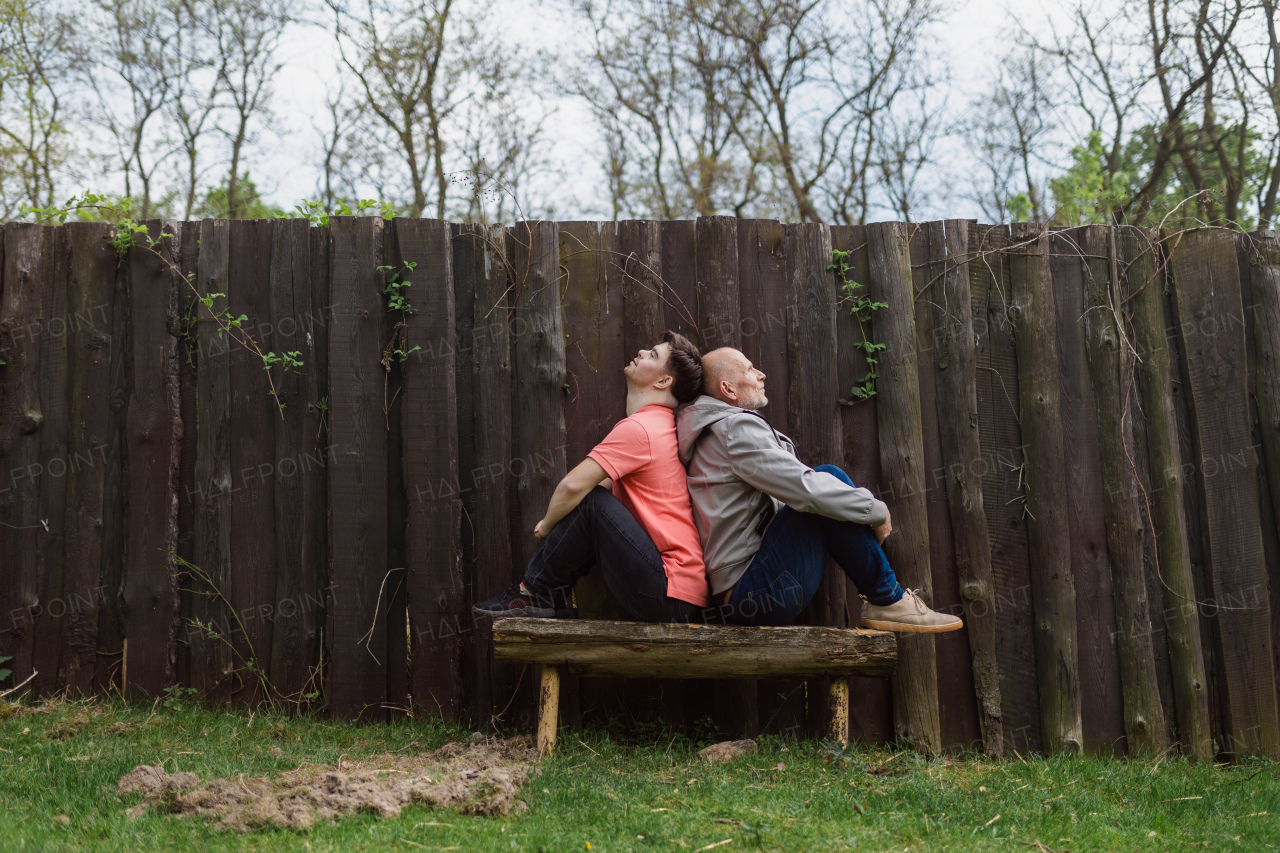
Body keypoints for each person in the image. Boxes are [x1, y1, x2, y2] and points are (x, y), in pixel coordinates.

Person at [676, 347, 963, 632]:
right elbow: (807, 490)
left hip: (745, 591)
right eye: (750, 369)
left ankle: (886, 598)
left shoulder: (716, 431)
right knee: (826, 478)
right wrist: (874, 510)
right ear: (727, 388)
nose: (761, 374)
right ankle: (888, 598)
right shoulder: (731, 429)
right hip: (753, 592)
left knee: (828, 483)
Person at [473, 331, 710, 622]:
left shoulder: (641, 429)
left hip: (668, 592)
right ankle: (547, 595)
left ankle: (534, 592)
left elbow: (573, 486)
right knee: (593, 502)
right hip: (676, 595)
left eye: (653, 354)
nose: (641, 351)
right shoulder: (658, 426)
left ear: (663, 381)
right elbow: (603, 486)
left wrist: (547, 527)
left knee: (592, 501)